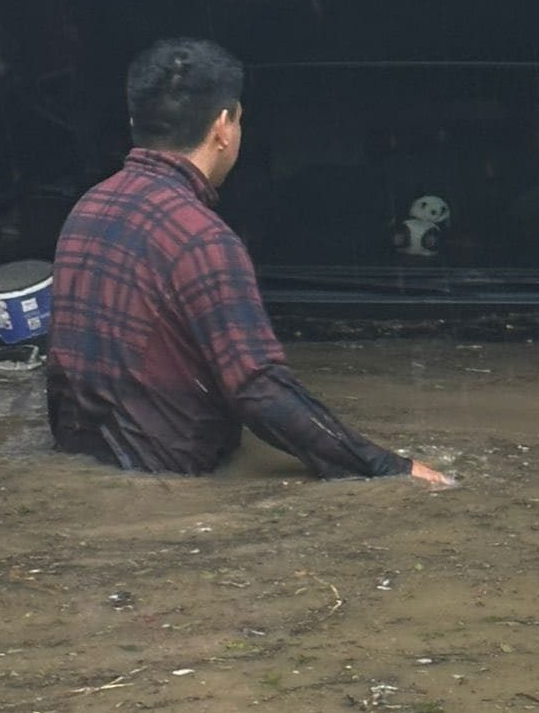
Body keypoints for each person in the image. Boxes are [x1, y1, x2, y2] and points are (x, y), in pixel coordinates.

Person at [45, 38, 454, 485]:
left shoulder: (88, 209)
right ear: (223, 127)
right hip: (172, 488)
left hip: (86, 469)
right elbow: (258, 389)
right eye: (239, 119)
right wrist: (387, 468)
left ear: (134, 121)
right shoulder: (201, 239)